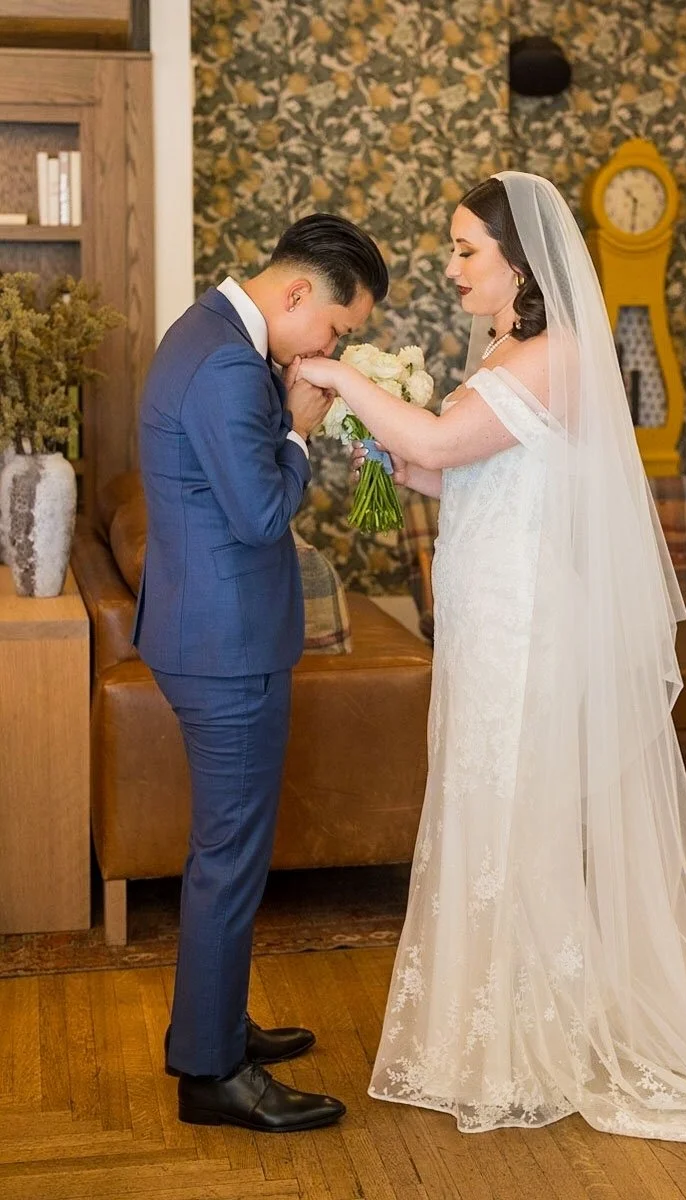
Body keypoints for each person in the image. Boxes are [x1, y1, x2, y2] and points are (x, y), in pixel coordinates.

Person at [295, 174, 686, 1154]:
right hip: (483, 617)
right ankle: (493, 1035)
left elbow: (444, 434)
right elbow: (438, 465)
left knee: (521, 814)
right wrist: (376, 443)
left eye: (467, 250)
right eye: (455, 249)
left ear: (520, 260)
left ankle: (541, 1037)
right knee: (483, 807)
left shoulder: (561, 355)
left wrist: (345, 383)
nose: (452, 267)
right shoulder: (505, 350)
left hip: (530, 622)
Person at [135, 213, 388, 1132]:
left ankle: (217, 1027)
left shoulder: (206, 332)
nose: (332, 347)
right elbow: (258, 512)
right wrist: (299, 432)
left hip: (212, 635)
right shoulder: (232, 367)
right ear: (295, 296)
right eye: (338, 327)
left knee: (228, 855)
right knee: (229, 860)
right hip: (225, 647)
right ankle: (211, 1074)